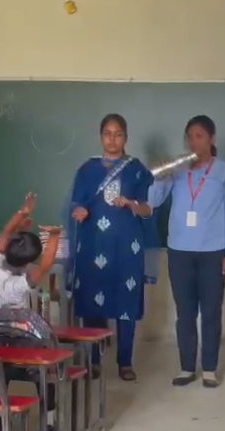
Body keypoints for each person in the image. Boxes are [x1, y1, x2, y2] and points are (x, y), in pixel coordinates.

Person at [149, 115, 225, 388]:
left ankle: (209, 368)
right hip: (179, 251)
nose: (193, 141)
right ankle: (187, 367)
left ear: (211, 139)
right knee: (185, 312)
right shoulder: (177, 171)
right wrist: (160, 176)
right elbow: (153, 202)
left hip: (213, 252)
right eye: (189, 136)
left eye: (199, 136)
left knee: (211, 311)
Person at [67, 113, 155, 381]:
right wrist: (78, 211)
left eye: (118, 134)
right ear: (100, 136)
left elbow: (148, 209)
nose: (112, 139)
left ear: (126, 137)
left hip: (126, 247)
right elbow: (75, 203)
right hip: (93, 247)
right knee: (93, 305)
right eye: (107, 133)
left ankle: (124, 362)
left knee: (125, 304)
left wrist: (130, 204)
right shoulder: (87, 170)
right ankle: (93, 361)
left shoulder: (137, 169)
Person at [0, 193, 61, 314]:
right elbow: (45, 265)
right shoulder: (19, 284)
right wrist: (55, 235)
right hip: (16, 330)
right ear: (28, 263)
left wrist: (23, 212)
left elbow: (6, 232)